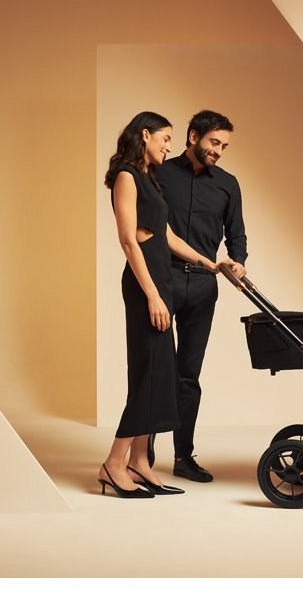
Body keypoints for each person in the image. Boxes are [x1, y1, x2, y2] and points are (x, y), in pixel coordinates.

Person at [99, 111, 219, 498]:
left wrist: (210, 263)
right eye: (165, 138)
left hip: (160, 283)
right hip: (143, 286)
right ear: (145, 135)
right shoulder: (126, 177)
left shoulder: (150, 179)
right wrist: (151, 294)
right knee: (149, 374)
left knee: (159, 374)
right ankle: (113, 463)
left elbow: (166, 236)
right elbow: (128, 240)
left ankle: (139, 461)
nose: (170, 146)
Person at [153, 109, 247, 482]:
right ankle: (142, 452)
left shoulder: (228, 184)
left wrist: (238, 262)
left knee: (188, 376)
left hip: (205, 286)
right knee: (156, 369)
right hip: (164, 281)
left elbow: (237, 233)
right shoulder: (158, 173)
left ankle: (183, 457)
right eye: (214, 142)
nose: (219, 151)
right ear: (193, 136)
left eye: (224, 146)